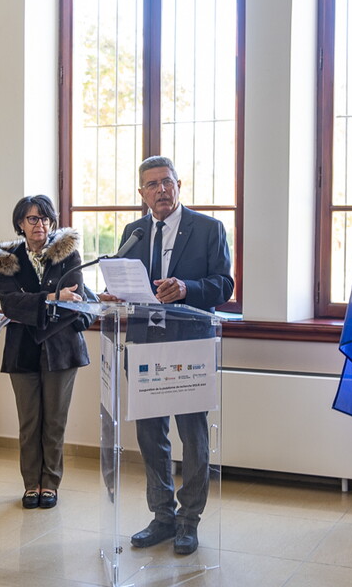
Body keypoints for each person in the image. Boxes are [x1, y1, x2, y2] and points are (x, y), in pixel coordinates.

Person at [102, 155, 233, 555]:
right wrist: (115, 296)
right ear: (141, 193)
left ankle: (189, 520)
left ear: (179, 185)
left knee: (193, 436)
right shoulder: (134, 231)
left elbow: (223, 285)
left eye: (166, 182)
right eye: (152, 185)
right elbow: (129, 280)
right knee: (150, 436)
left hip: (189, 346)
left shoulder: (209, 229)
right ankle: (162, 516)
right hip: (143, 346)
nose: (161, 190)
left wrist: (187, 288)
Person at [0, 195, 93, 509]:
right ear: (20, 223)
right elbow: (8, 301)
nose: (39, 225)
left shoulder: (68, 255)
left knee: (54, 421)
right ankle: (32, 484)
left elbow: (76, 298)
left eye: (44, 219)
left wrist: (33, 300)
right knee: (29, 421)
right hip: (22, 348)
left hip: (62, 348)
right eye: (32, 219)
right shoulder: (7, 258)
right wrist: (53, 297)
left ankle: (50, 483)